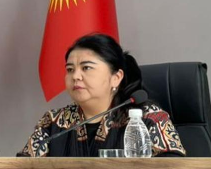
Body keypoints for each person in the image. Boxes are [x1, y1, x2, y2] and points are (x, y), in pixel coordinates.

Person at [19, 33, 185, 157]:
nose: (75, 76)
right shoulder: (53, 122)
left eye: (86, 68)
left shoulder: (148, 117)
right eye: (70, 69)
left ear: (116, 77)